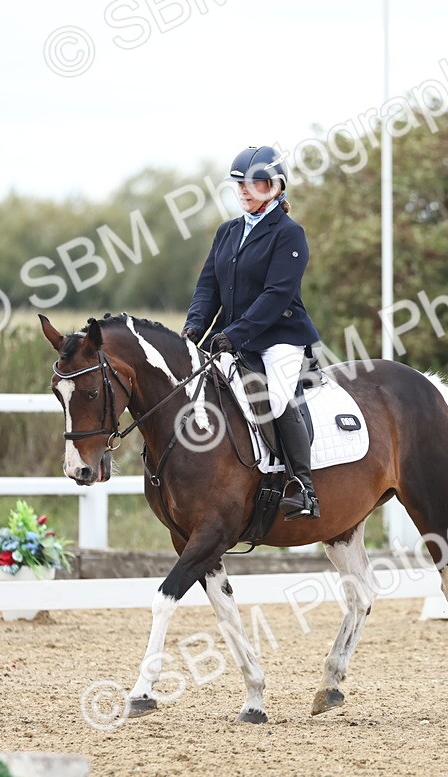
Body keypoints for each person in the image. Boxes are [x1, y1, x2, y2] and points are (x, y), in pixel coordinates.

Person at [181, 145, 321, 521]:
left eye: (255, 183)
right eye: (240, 183)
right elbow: (207, 287)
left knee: (276, 400)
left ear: (276, 187)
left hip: (281, 338)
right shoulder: (227, 232)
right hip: (234, 337)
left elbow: (276, 296)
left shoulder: (290, 234)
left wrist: (234, 334)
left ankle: (303, 488)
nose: (244, 190)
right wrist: (195, 326)